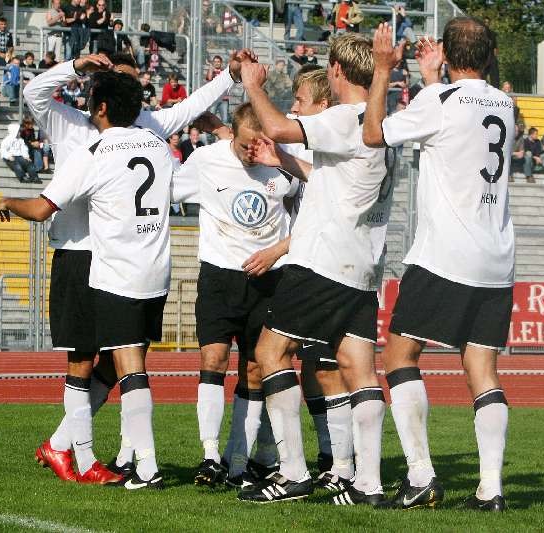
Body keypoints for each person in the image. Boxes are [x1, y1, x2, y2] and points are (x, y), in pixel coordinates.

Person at [21, 50, 250, 483]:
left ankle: (87, 448)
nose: (129, 87)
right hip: (80, 251)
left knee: (124, 360)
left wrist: (229, 76)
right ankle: (81, 455)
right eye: (117, 78)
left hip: (125, 258)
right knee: (85, 360)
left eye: (132, 81)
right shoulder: (68, 121)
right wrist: (75, 66)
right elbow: (34, 91)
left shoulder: (143, 125)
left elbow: (190, 107)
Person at [0, 71, 195, 488]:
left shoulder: (93, 152)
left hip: (106, 268)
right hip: (154, 270)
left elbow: (41, 208)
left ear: (101, 107)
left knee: (102, 364)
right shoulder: (157, 144)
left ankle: (105, 461)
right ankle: (77, 452)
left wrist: (8, 200)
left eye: (90, 97)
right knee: (111, 362)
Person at [363, 18, 515, 513]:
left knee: (399, 356)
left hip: (445, 253)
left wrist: (383, 70)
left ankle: (421, 475)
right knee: (482, 367)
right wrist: (435, 78)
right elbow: (458, 120)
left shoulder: (440, 101)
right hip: (495, 258)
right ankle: (490, 489)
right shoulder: (506, 104)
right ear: (490, 56)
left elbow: (373, 133)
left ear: (448, 54)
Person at [239, 32, 392, 506]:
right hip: (362, 265)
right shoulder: (380, 124)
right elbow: (339, 182)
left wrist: (253, 86)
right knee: (358, 369)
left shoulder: (345, 116)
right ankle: (368, 483)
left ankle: (293, 473)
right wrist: (283, 161)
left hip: (323, 261)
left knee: (270, 353)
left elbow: (278, 126)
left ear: (337, 71)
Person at [245, 65, 353, 491]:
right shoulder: (328, 152)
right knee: (321, 368)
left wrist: (276, 250)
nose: (294, 107)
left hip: (323, 269)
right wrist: (281, 160)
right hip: (329, 268)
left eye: (301, 101)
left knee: (304, 362)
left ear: (324, 106)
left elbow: (324, 216)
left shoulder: (336, 147)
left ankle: (310, 469)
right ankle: (338, 464)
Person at [184, 103, 297, 489]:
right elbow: (168, 189)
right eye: (247, 143)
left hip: (268, 279)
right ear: (231, 134)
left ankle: (237, 464)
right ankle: (209, 456)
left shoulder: (283, 163)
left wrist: (277, 252)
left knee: (253, 369)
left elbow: (311, 212)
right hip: (219, 276)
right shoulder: (206, 160)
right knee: (213, 359)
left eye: (259, 143)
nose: (253, 151)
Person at [205, 56, 229, 123]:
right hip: (214, 99)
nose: (216, 63)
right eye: (215, 62)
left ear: (221, 63)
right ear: (213, 63)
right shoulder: (211, 71)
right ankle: (210, 130)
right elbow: (209, 78)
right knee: (211, 118)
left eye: (218, 61)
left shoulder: (224, 71)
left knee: (225, 119)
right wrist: (210, 66)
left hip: (224, 99)